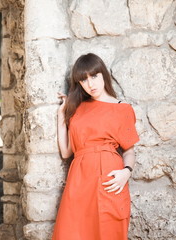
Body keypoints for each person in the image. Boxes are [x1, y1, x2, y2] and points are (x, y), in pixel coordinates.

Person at [52, 53, 139, 240]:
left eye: (94, 76)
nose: (90, 84)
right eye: (83, 80)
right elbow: (67, 152)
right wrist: (61, 116)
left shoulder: (122, 109)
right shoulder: (78, 108)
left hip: (108, 179)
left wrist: (126, 172)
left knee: (107, 233)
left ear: (103, 75)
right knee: (70, 233)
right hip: (79, 181)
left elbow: (129, 151)